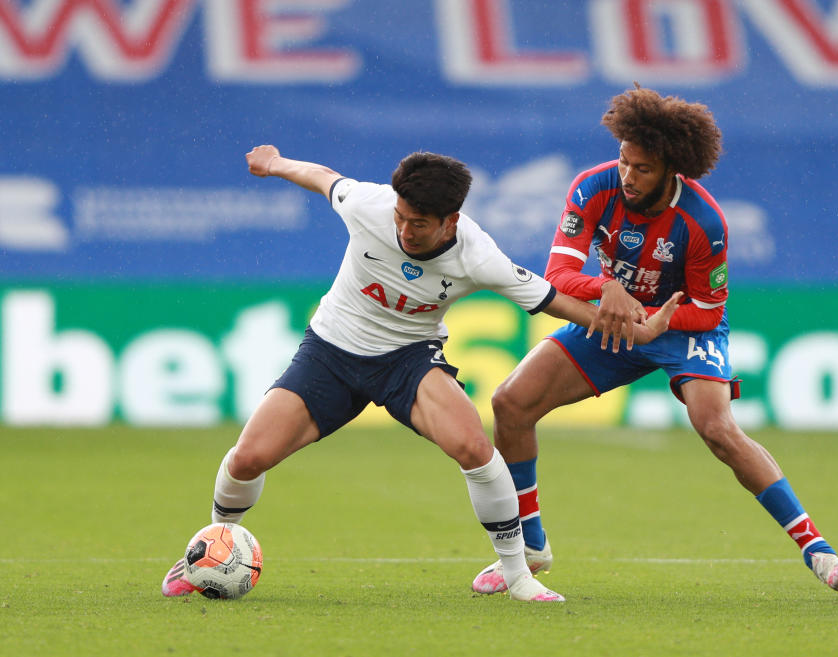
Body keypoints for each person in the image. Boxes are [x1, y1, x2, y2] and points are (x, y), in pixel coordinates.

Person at [161, 144, 681, 602]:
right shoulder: (368, 205)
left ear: (450, 222)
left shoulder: (478, 255)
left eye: (419, 224)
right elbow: (321, 177)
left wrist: (634, 333)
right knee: (248, 457)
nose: (405, 231)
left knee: (475, 448)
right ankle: (210, 550)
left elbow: (553, 300)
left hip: (407, 359)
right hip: (331, 352)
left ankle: (519, 575)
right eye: (401, 218)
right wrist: (274, 163)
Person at [471, 86, 838, 597]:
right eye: (624, 161)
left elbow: (708, 310)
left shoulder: (704, 222)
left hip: (682, 328)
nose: (628, 177)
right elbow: (559, 275)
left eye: (643, 168)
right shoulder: (593, 188)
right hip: (618, 321)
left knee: (716, 428)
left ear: (674, 168)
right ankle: (532, 547)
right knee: (510, 403)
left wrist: (651, 319)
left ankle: (818, 551)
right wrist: (608, 290)